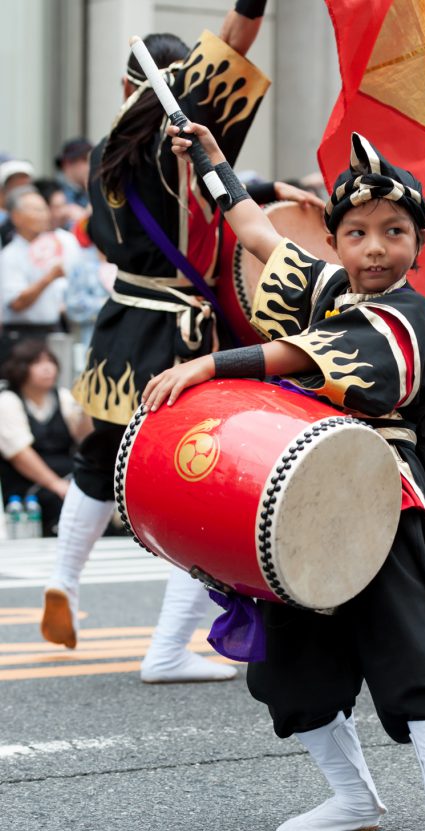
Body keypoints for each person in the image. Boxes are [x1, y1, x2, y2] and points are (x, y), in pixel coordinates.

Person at [143, 121, 425, 831]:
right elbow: (258, 234)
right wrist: (207, 158)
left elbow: (307, 355)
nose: (374, 248)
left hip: (379, 500)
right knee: (292, 668)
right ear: (334, 241)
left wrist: (213, 364)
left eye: (393, 232)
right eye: (356, 233)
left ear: (417, 242)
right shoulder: (332, 287)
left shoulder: (405, 313)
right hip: (300, 499)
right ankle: (351, 797)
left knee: (413, 655)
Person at [41, 1, 320, 684]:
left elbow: (180, 189)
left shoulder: (111, 145)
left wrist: (260, 184)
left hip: (120, 319)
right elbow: (238, 35)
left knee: (99, 454)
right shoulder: (177, 119)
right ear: (179, 75)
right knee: (202, 482)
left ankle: (62, 580)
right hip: (177, 330)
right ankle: (167, 649)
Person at [0, 339, 91, 534]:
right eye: (37, 363)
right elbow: (19, 455)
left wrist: (88, 407)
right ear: (20, 368)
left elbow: (84, 438)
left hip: (68, 478)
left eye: (50, 361)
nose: (47, 369)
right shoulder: (7, 401)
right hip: (29, 490)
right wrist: (56, 485)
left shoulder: (64, 396)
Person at [0, 188, 82, 340]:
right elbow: (16, 303)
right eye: (37, 210)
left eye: (45, 209)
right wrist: (49, 278)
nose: (44, 215)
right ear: (16, 217)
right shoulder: (10, 255)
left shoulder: (60, 242)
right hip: (21, 335)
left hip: (55, 328)